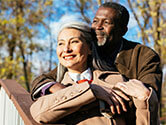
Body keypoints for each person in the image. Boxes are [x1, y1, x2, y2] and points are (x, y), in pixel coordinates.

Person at [30, 21, 159, 125]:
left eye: (74, 42)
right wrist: (90, 90)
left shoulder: (116, 80)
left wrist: (146, 100)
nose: (66, 49)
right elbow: (38, 113)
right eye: (61, 44)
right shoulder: (53, 89)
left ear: (90, 48)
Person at [30, 2, 162, 103]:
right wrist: (57, 87)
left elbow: (148, 93)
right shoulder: (85, 52)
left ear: (123, 30)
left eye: (106, 22)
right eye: (95, 21)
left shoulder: (143, 55)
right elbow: (42, 81)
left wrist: (106, 92)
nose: (98, 27)